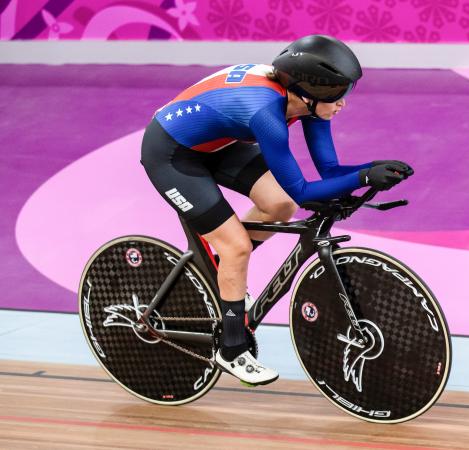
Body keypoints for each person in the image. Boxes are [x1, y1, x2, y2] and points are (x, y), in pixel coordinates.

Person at [140, 35, 413, 385]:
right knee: (236, 245)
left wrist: (374, 169)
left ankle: (223, 276)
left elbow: (328, 171)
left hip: (217, 144)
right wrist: (361, 176)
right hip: (171, 154)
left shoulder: (309, 103)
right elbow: (303, 190)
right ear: (307, 91)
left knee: (278, 205)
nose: (343, 103)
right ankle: (232, 348)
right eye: (337, 93)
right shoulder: (266, 113)